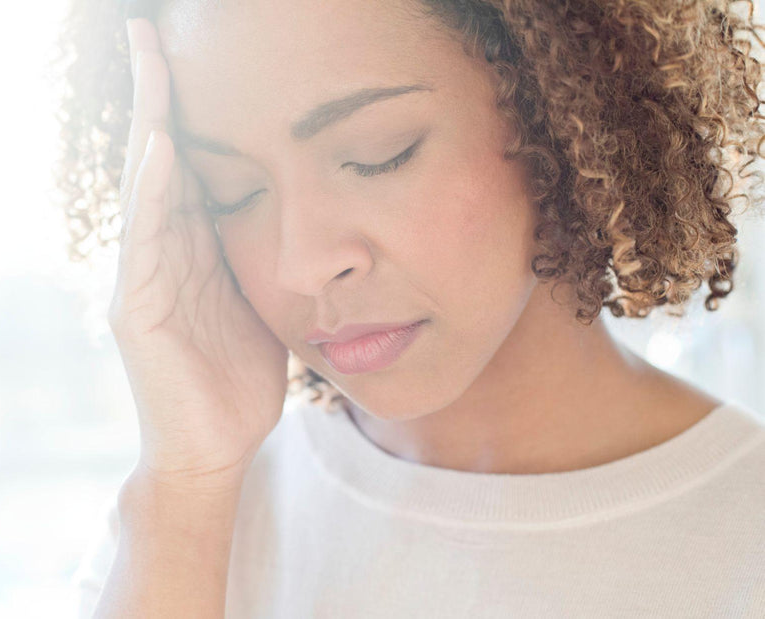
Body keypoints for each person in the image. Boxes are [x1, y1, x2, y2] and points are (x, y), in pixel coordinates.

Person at [53, 0, 765, 616]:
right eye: (231, 192)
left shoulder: (744, 544)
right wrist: (183, 490)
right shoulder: (183, 523)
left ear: (556, 100)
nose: (299, 265)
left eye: (378, 154)